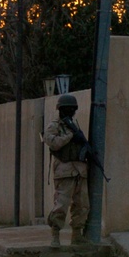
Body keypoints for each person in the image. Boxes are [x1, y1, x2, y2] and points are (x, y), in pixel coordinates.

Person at [43, 93, 91, 248]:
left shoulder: (74, 125)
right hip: (64, 171)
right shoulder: (55, 126)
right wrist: (70, 136)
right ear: (61, 110)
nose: (70, 111)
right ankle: (55, 236)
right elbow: (52, 142)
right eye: (67, 109)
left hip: (79, 171)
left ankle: (77, 235)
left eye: (72, 109)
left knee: (82, 205)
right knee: (61, 205)